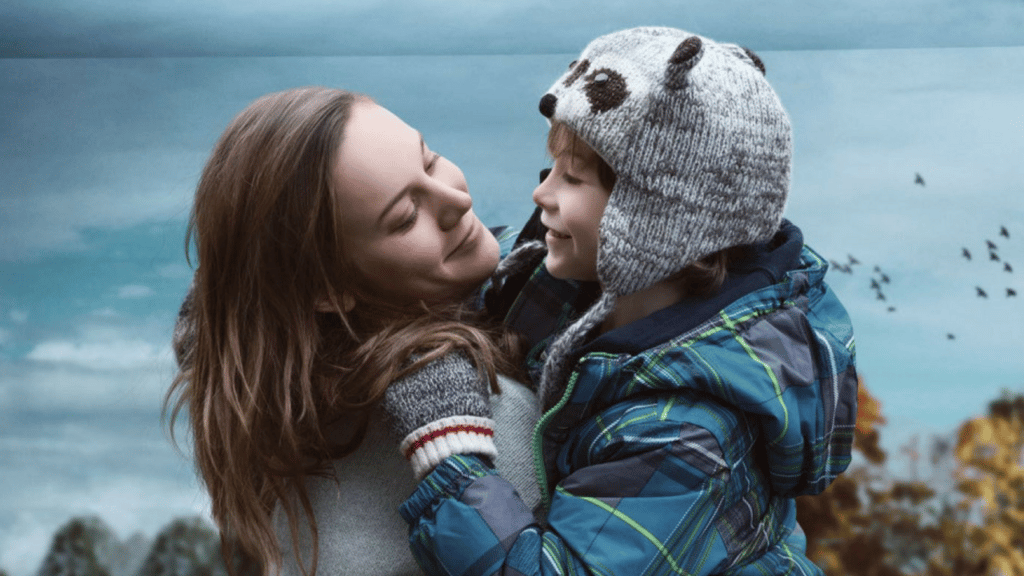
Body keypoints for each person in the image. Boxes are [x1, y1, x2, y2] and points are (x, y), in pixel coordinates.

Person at [385, 26, 859, 574]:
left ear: (658, 217)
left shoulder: (682, 432)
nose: (542, 194)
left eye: (573, 177)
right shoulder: (586, 280)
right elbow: (478, 279)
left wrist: (449, 451)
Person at [165, 86, 542, 576]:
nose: (456, 199)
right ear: (327, 290)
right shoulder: (471, 413)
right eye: (406, 217)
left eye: (429, 161)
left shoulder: (285, 434)